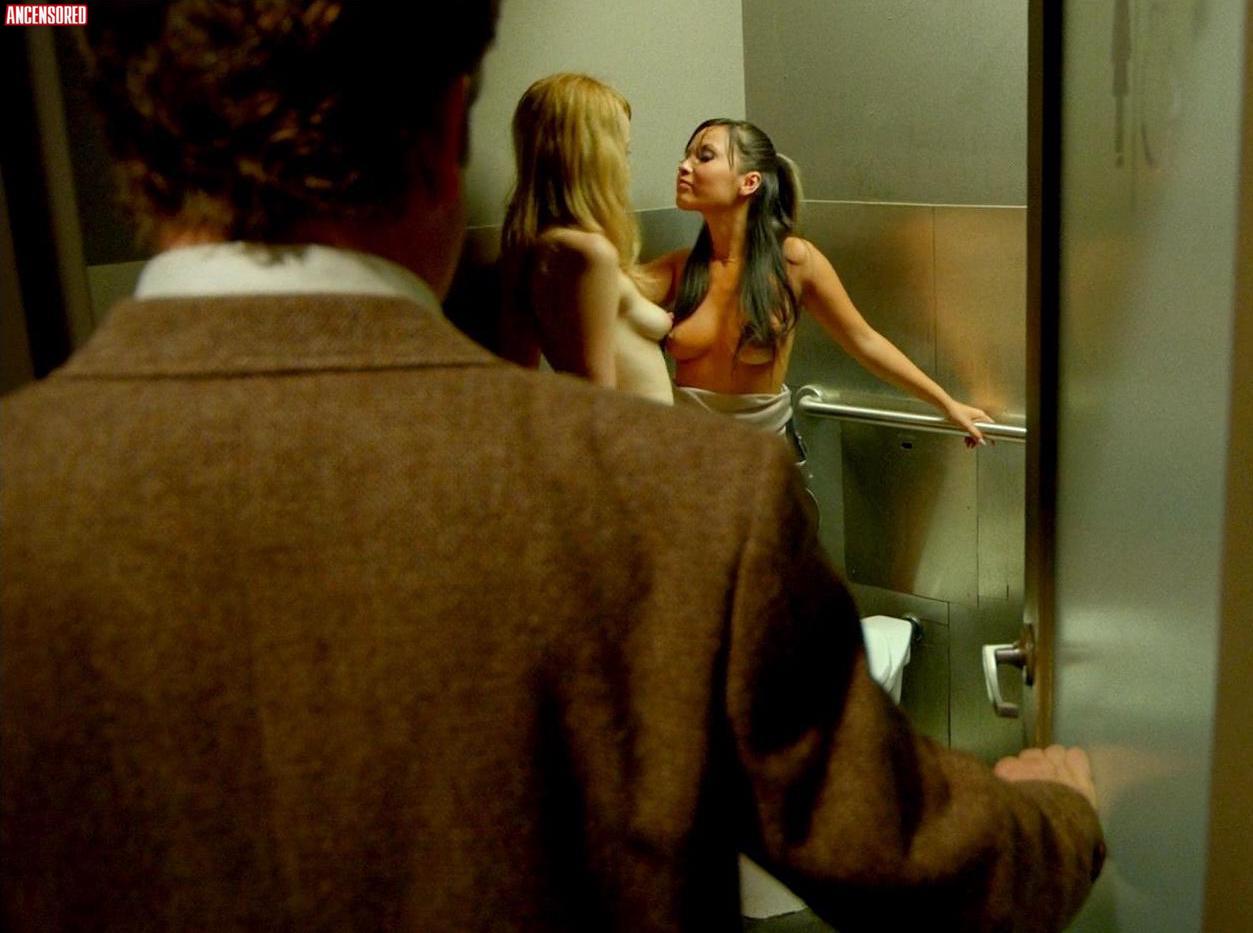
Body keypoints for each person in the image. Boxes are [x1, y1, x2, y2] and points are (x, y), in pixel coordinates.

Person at [1, 3, 1103, 931]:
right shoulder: (684, 500)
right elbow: (902, 853)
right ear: (449, 126)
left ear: (128, 142)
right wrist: (1062, 809)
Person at [643, 118, 991, 455]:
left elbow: (864, 341)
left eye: (704, 156)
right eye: (686, 156)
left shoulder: (793, 261)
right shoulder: (680, 268)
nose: (684, 166)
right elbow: (613, 290)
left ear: (749, 182)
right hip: (688, 455)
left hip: (761, 459)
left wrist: (947, 404)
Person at [499, 73, 673, 405]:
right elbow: (597, 396)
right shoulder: (590, 253)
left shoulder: (536, 244)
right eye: (624, 152)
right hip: (632, 433)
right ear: (597, 157)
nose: (627, 166)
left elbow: (520, 367)